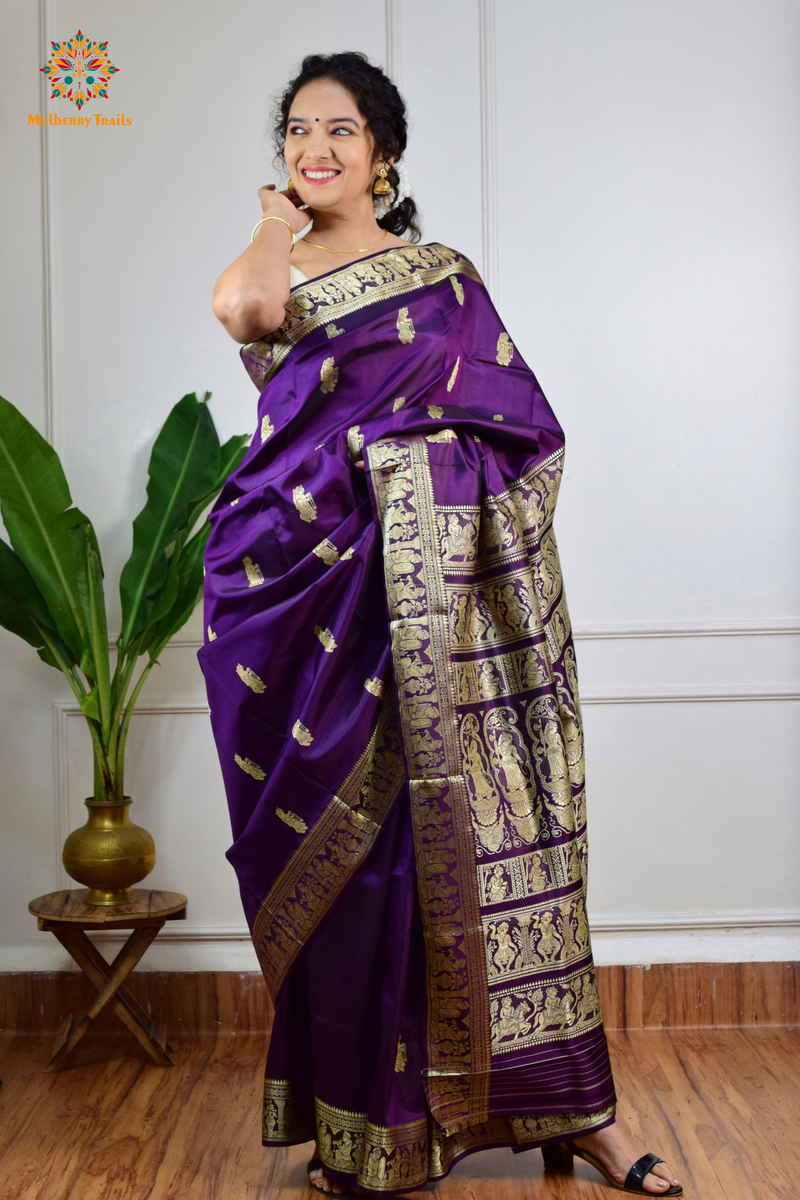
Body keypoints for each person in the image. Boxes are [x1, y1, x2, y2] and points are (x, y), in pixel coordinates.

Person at [200, 51, 682, 1199]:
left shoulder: (441, 279)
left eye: (340, 131)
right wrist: (276, 220)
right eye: (298, 132)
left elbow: (519, 435)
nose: (315, 148)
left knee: (508, 852)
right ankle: (375, 1133)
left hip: (450, 619)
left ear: (383, 153)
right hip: (311, 608)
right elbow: (245, 311)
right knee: (364, 875)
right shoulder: (281, 266)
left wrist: (419, 495)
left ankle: (581, 1118)